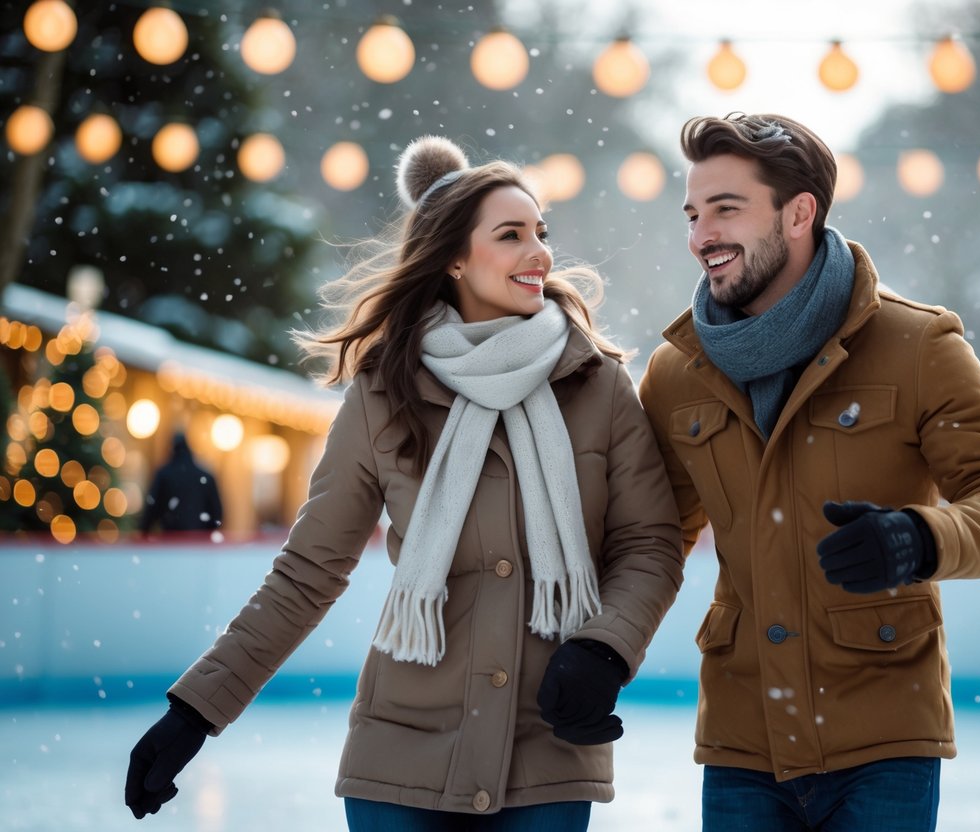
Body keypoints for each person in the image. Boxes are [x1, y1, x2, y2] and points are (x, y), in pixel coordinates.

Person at [124, 136, 683, 831]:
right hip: (400, 758)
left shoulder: (596, 386)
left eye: (541, 232)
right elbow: (307, 571)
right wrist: (196, 711)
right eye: (510, 235)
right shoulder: (384, 392)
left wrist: (604, 647)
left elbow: (649, 545)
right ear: (452, 256)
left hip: (548, 747)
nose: (538, 252)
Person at [638, 112, 980, 831]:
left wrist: (919, 539)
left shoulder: (914, 344)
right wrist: (599, 649)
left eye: (726, 209)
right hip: (741, 746)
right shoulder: (678, 374)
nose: (700, 234)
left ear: (798, 212)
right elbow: (649, 539)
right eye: (693, 213)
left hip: (883, 741)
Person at [138, 431, 223, 534]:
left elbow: (151, 510)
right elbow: (217, 513)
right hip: (198, 541)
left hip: (171, 540)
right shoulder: (205, 476)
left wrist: (142, 533)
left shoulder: (164, 475)